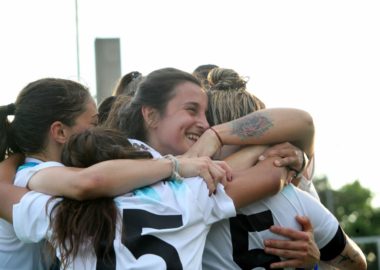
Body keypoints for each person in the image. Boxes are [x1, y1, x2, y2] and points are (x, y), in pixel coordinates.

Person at [12, 68, 316, 269]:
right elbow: (294, 136)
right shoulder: (188, 193)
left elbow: (84, 183)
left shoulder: (56, 208)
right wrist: (267, 151)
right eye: (192, 110)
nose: (206, 124)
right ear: (150, 115)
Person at [0, 77, 228, 270]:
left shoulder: (30, 172)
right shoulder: (32, 178)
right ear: (60, 131)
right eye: (94, 122)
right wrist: (174, 165)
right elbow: (88, 182)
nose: (99, 131)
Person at [196, 67, 366, 269]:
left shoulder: (189, 193)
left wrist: (313, 261)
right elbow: (357, 264)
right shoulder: (290, 186)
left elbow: (304, 122)